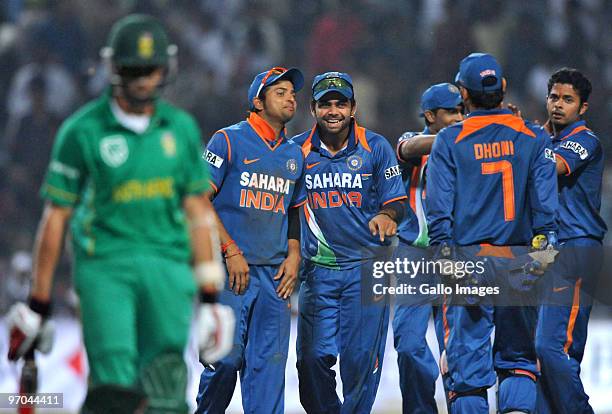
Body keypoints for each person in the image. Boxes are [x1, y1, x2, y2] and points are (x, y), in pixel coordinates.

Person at [6, 14, 235, 413]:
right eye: (134, 69)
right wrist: (38, 304)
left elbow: (198, 212)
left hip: (169, 268)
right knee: (114, 387)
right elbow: (56, 216)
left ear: (167, 68)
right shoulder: (82, 131)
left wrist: (212, 297)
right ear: (114, 68)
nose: (144, 79)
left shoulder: (179, 129)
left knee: (167, 391)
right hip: (106, 266)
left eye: (151, 69)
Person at [426, 53, 558, 414]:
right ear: (502, 88)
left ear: (463, 95)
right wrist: (543, 256)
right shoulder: (534, 137)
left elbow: (439, 215)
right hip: (521, 261)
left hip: (469, 264)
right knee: (518, 360)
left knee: (466, 373)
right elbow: (547, 213)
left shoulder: (449, 141)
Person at [291, 71, 408, 413]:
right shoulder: (296, 151)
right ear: (312, 109)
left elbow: (397, 201)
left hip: (366, 271)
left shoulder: (376, 147)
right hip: (318, 273)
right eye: (325, 104)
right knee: (311, 362)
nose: (333, 111)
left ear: (353, 107)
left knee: (360, 364)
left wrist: (389, 216)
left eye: (340, 103)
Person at [196, 66, 306, 414]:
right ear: (258, 101)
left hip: (275, 280)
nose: (291, 97)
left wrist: (293, 253)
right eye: (281, 92)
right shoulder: (227, 140)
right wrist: (230, 251)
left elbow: (293, 212)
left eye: (292, 92)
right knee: (223, 363)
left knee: (268, 377)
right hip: (229, 274)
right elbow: (198, 199)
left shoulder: (293, 154)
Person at [535, 68, 607, 414]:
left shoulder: (585, 140)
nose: (558, 105)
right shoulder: (540, 138)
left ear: (583, 107)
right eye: (553, 97)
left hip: (577, 247)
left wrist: (520, 143)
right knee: (553, 352)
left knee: (553, 348)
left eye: (567, 100)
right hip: (547, 251)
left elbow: (555, 167)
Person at [394, 82, 463, 413]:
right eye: (451, 112)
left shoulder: (469, 147)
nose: (459, 117)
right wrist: (462, 136)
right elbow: (407, 149)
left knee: (457, 348)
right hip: (414, 258)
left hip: (456, 255)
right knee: (408, 345)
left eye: (463, 110)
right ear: (430, 115)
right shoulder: (412, 141)